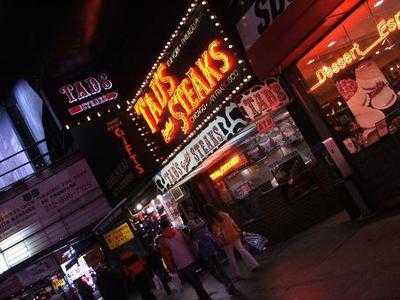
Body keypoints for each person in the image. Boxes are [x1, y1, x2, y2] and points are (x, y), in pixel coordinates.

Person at [187, 210, 239, 295]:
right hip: (211, 248)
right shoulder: (203, 224)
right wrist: (216, 245)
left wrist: (196, 255)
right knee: (219, 267)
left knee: (213, 270)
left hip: (204, 253)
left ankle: (226, 284)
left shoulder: (193, 233)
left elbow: (195, 245)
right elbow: (210, 236)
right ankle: (229, 283)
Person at [159, 217, 211, 300]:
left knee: (192, 281)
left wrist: (171, 268)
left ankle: (204, 296)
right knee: (196, 279)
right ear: (169, 224)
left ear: (162, 228)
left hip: (180, 264)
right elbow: (189, 241)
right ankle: (203, 296)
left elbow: (166, 257)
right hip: (190, 258)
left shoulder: (163, 241)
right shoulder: (179, 231)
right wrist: (194, 252)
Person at [204, 205, 260, 280]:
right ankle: (254, 264)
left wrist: (219, 240)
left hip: (225, 240)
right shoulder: (224, 214)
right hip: (234, 235)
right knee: (242, 250)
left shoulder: (212, 220)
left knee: (231, 257)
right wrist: (238, 230)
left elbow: (216, 232)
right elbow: (232, 222)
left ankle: (237, 274)